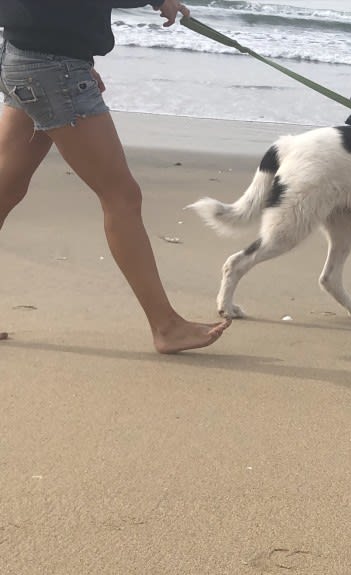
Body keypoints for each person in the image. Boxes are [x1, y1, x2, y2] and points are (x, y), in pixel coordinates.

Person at [0, 0, 231, 353]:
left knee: (5, 190)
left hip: (25, 57)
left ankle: (166, 325)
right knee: (122, 198)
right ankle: (166, 326)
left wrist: (72, 57)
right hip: (49, 65)